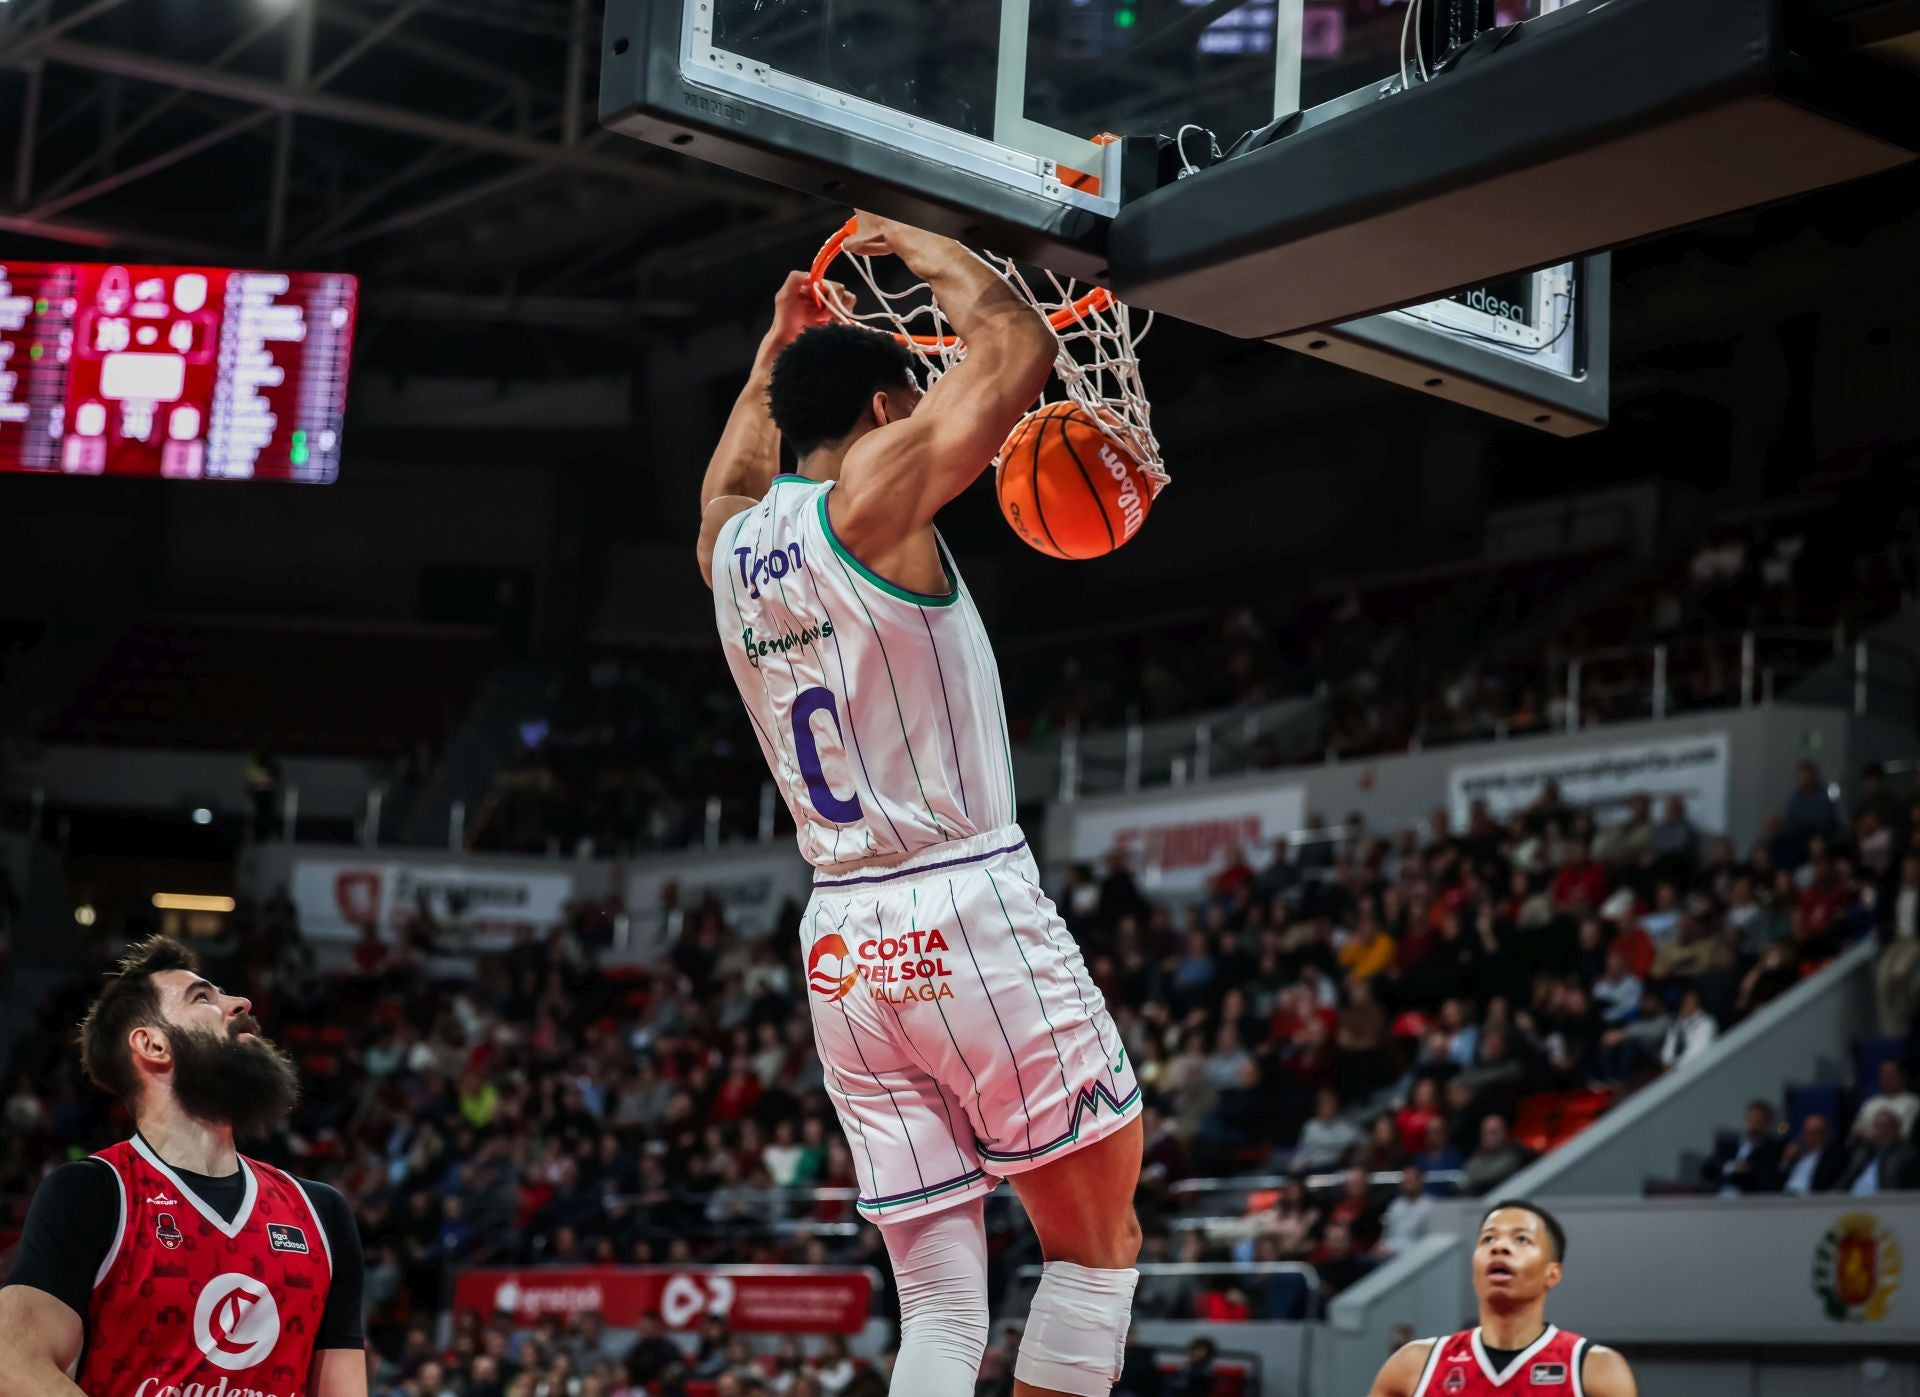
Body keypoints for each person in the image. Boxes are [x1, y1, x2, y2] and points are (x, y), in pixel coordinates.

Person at [698, 215, 1139, 1397]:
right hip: (964, 907)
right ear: (890, 413)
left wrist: (768, 361)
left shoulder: (729, 546)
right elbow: (1014, 350)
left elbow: (734, 475)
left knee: (942, 1300)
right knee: (1095, 1255)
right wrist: (928, 243)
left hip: (841, 939)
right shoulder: (875, 496)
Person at [0, 935, 367, 1397]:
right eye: (202, 998)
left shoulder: (321, 1214)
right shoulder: (95, 1193)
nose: (240, 1002)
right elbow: (12, 1362)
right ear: (153, 1044)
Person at [1367, 1201, 1637, 1396]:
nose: (1499, 1247)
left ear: (1552, 1273)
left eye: (1521, 1239)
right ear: (1475, 1273)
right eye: (1487, 1240)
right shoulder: (1414, 1364)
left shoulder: (1595, 1368)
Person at [1701, 1100, 1784, 1196]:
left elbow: (1766, 1176)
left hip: (1748, 1197)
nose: (1754, 1123)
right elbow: (1708, 1166)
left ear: (1767, 1123)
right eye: (1751, 1118)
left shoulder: (1771, 1148)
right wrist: (1731, 1167)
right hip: (1718, 1193)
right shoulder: (1728, 1144)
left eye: (1758, 1120)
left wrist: (1746, 1169)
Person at [1778, 1113, 1848, 1197]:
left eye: (1815, 1133)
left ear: (1825, 1134)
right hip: (1784, 1198)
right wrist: (1786, 1160)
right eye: (1807, 1132)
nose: (1810, 1137)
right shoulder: (1796, 1157)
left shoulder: (1831, 1158)